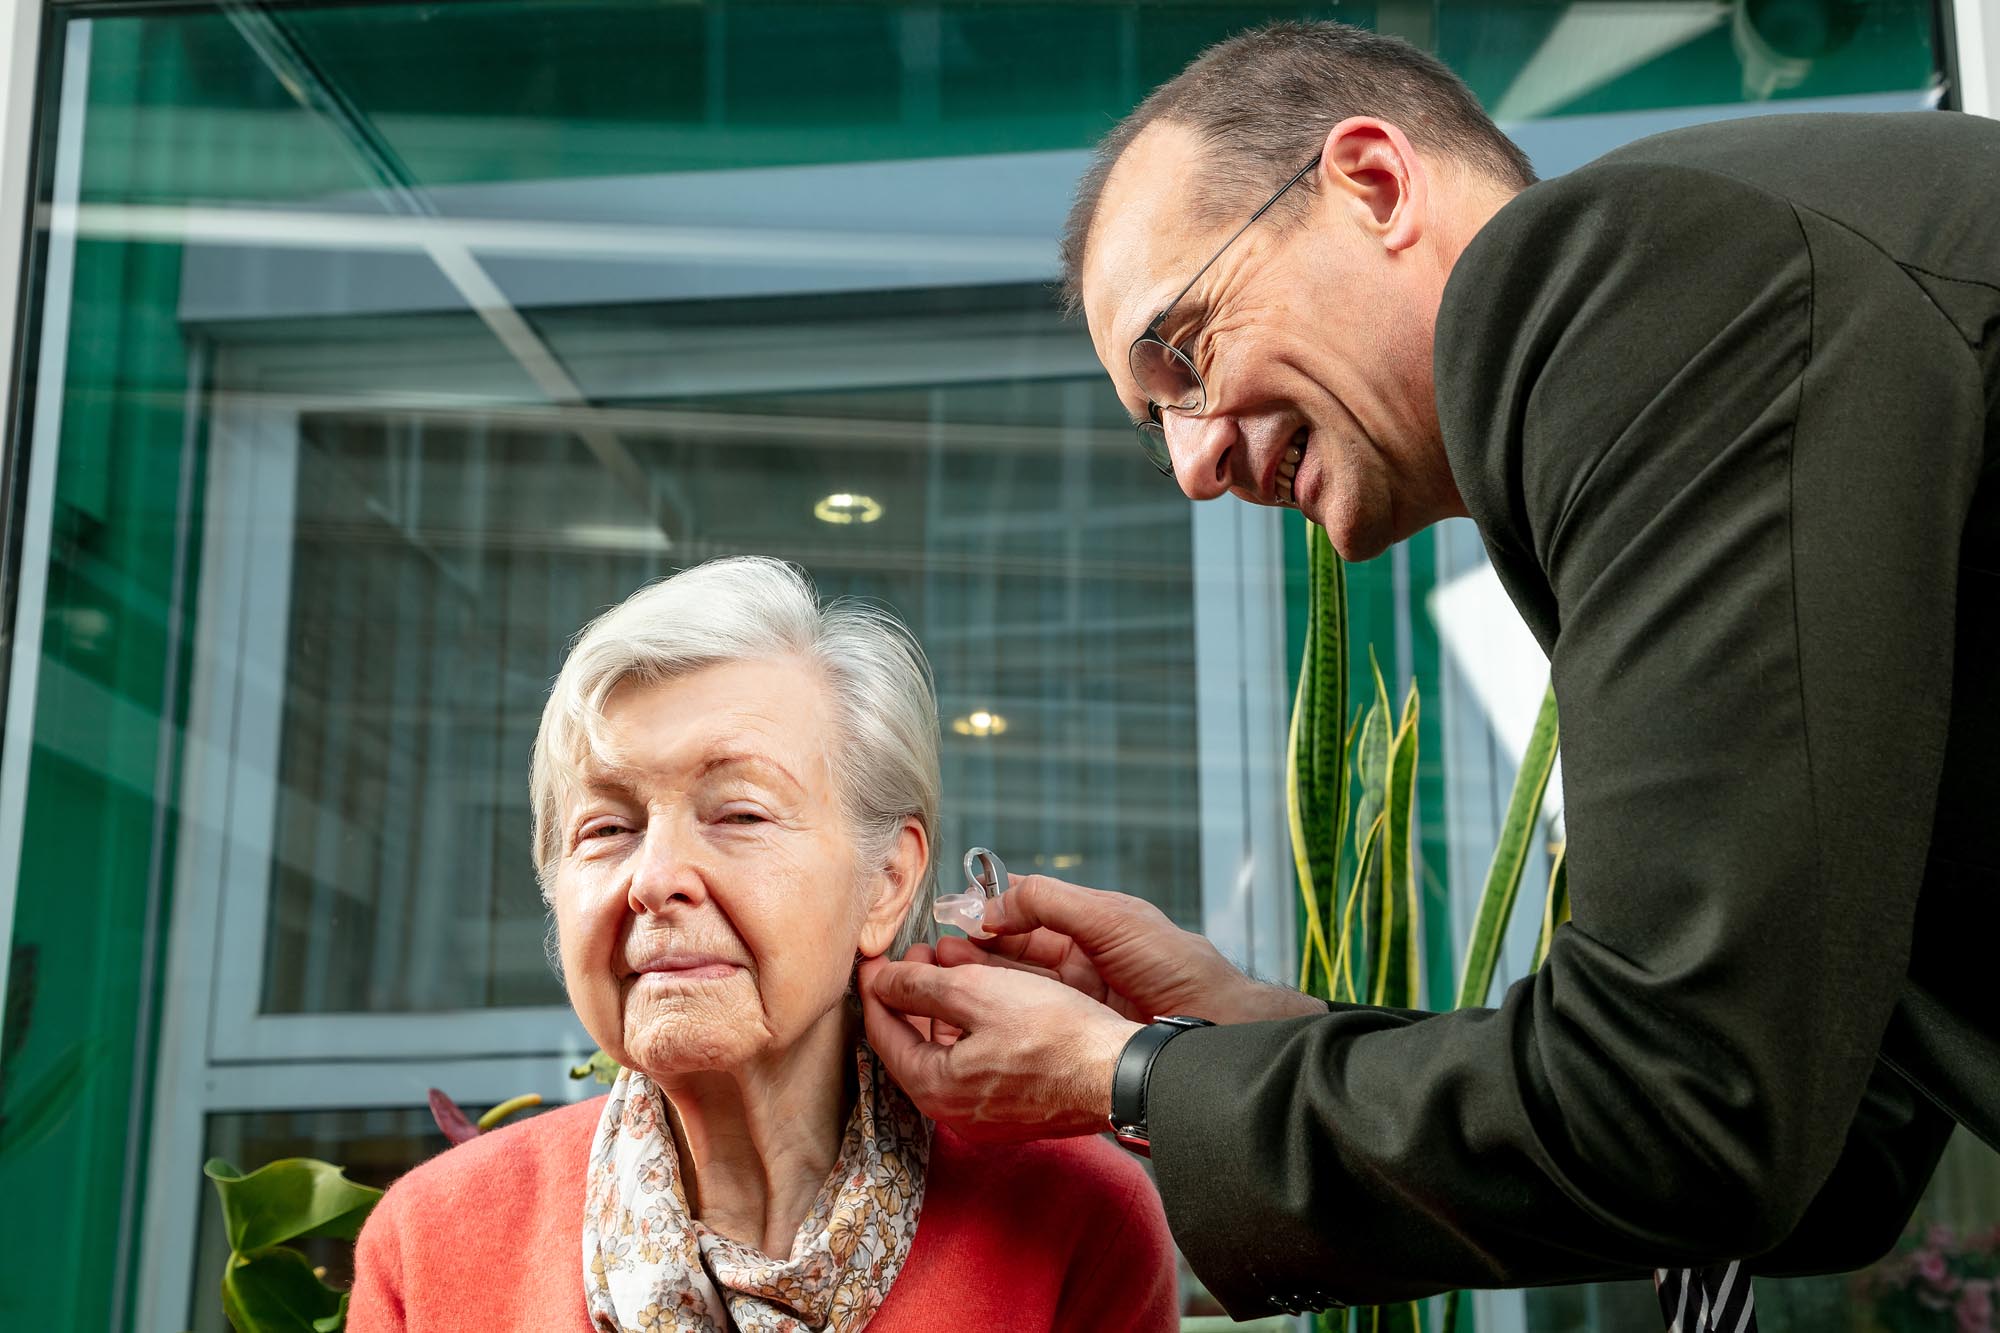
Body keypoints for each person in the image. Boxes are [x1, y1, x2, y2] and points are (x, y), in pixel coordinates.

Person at [859, 18, 2000, 1324]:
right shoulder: (1688, 345)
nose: (1191, 466)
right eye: (1154, 423)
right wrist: (1239, 1029)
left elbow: (1692, 1101)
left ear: (1373, 182)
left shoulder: (1624, 279)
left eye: (1184, 355)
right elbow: (1824, 1148)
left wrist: (1133, 1072)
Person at [347, 557, 1177, 1333]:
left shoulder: (1072, 1221)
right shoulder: (429, 1249)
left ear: (886, 880)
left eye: (740, 813)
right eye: (606, 827)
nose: (655, 877)